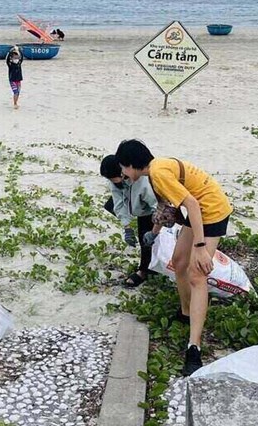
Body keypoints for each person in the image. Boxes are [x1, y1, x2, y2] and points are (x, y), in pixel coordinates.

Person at [115, 140, 233, 376]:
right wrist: (154, 233)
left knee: (197, 274)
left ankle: (194, 348)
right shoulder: (155, 170)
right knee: (179, 261)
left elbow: (191, 203)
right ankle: (186, 312)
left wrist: (199, 246)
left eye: (123, 169)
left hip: (212, 211)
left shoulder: (158, 174)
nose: (123, 174)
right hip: (198, 211)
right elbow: (167, 206)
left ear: (131, 165)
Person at [100, 154, 161, 288]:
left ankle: (146, 270)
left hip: (154, 206)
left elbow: (158, 206)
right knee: (110, 206)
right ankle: (146, 268)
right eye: (111, 181)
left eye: (116, 180)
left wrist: (154, 230)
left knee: (147, 236)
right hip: (136, 203)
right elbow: (118, 204)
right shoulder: (115, 181)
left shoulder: (143, 181)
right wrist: (127, 227)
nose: (114, 183)